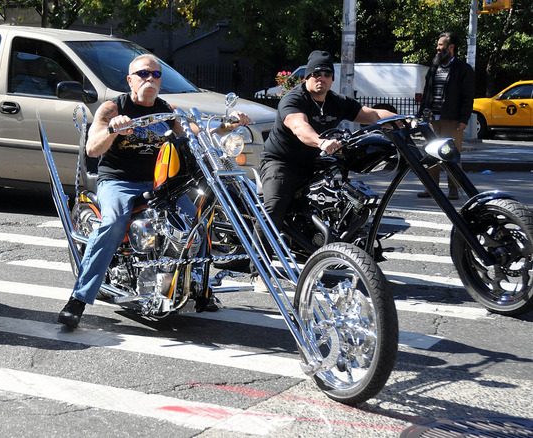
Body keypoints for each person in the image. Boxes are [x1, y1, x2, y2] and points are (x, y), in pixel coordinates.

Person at [58, 53, 250, 328]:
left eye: (155, 74)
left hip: (161, 184)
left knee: (196, 222)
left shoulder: (166, 111)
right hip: (119, 181)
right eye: (143, 74)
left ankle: (200, 290)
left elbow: (197, 133)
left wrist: (227, 125)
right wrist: (113, 129)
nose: (149, 78)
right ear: (130, 80)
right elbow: (93, 148)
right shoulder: (113, 108)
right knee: (113, 223)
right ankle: (78, 299)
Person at [259, 50, 395, 230]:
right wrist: (320, 141)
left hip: (315, 164)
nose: (321, 78)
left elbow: (374, 115)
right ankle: (257, 258)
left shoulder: (337, 102)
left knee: (341, 202)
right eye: (316, 74)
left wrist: (409, 121)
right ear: (307, 77)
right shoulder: (294, 99)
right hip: (281, 162)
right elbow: (299, 126)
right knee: (274, 208)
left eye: (326, 74)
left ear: (332, 79)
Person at [417, 32, 475, 201]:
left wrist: (464, 120)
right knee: (431, 154)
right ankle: (431, 188)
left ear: (451, 47)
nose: (438, 48)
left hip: (453, 120)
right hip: (432, 120)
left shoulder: (463, 69)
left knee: (451, 154)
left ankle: (454, 189)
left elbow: (467, 97)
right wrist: (422, 115)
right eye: (438, 45)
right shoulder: (434, 68)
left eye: (441, 45)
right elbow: (427, 93)